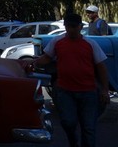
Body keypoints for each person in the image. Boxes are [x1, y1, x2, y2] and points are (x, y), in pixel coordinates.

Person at [28, 13, 110, 147]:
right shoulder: (57, 41)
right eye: (68, 27)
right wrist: (33, 63)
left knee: (88, 128)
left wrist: (105, 91)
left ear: (80, 27)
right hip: (65, 91)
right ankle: (73, 143)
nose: (71, 30)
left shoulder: (90, 44)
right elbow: (47, 58)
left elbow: (102, 67)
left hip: (88, 92)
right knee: (67, 122)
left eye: (74, 26)